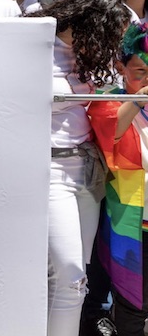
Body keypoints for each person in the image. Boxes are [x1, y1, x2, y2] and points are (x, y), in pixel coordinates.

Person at [36, 0, 132, 336]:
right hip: (49, 171)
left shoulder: (89, 58)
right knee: (68, 272)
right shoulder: (34, 47)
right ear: (92, 26)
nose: (112, 44)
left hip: (88, 172)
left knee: (76, 280)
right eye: (110, 35)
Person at [87, 20, 148, 336]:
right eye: (140, 73)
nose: (147, 80)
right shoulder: (107, 100)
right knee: (133, 302)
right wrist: (139, 98)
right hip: (132, 221)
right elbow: (109, 136)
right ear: (120, 67)